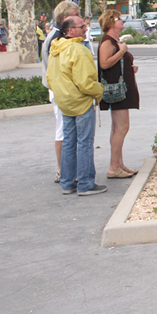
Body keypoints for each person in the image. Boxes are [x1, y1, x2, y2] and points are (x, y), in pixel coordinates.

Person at [46, 15, 105, 195]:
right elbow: (85, 82)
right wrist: (99, 90)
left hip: (64, 102)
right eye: (82, 26)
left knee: (69, 143)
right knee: (85, 143)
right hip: (81, 101)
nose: (86, 29)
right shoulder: (79, 50)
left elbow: (50, 77)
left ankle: (67, 183)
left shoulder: (55, 49)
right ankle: (86, 184)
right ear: (70, 30)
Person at [42, 1, 86, 183]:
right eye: (76, 15)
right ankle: (63, 171)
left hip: (66, 90)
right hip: (63, 91)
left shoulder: (60, 36)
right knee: (63, 131)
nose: (80, 19)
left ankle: (69, 171)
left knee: (69, 132)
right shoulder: (56, 38)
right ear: (64, 18)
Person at [97, 9, 140, 178]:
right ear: (110, 22)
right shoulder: (108, 42)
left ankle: (119, 163)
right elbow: (104, 63)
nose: (122, 20)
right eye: (118, 18)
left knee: (117, 128)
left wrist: (129, 68)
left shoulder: (114, 41)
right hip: (117, 91)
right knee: (122, 127)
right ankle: (113, 167)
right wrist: (122, 52)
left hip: (121, 87)